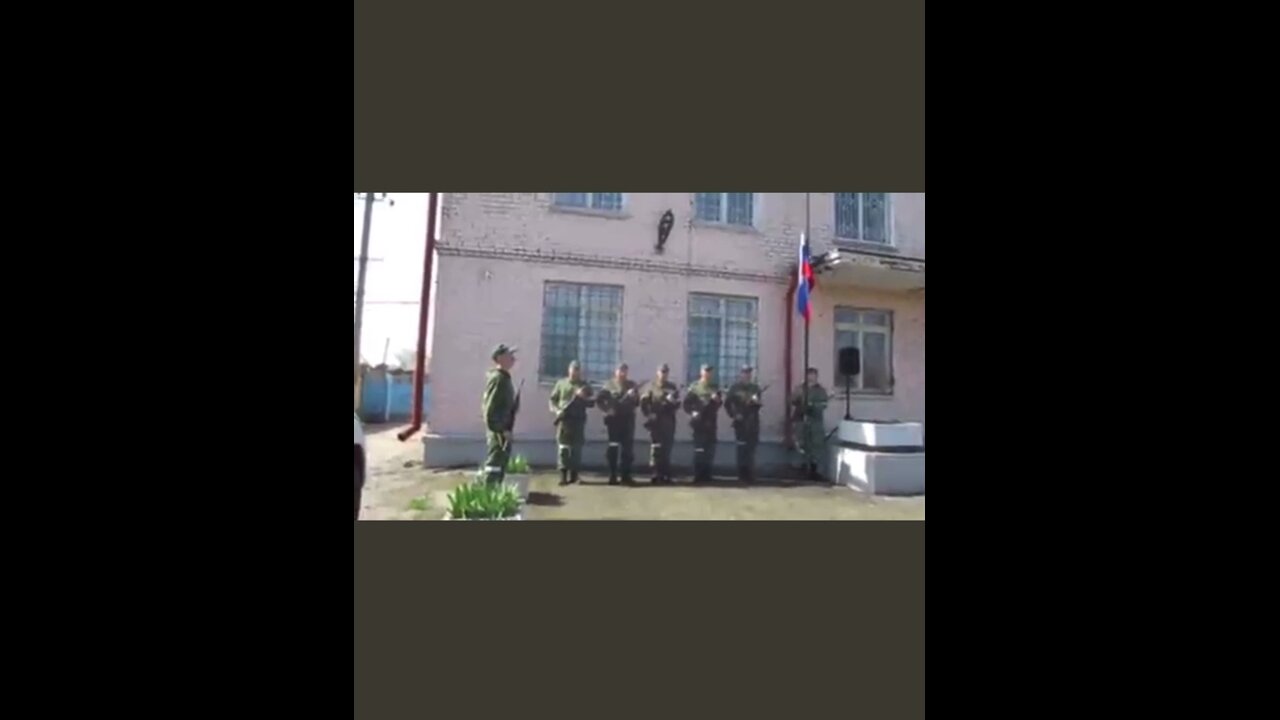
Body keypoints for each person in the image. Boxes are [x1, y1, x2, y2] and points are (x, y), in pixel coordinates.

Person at [548, 359, 595, 486]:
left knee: (576, 448)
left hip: (578, 420)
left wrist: (583, 397)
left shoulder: (585, 386)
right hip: (564, 420)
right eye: (573, 369)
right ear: (569, 370)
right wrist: (557, 411)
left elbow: (592, 403)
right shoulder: (561, 384)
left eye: (577, 370)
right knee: (563, 447)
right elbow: (552, 401)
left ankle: (574, 475)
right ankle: (563, 475)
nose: (575, 372)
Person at [598, 363, 641, 485]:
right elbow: (599, 400)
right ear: (615, 371)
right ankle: (612, 475)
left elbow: (637, 403)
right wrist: (607, 409)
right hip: (614, 421)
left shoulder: (631, 385)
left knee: (627, 449)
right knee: (613, 448)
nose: (623, 373)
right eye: (620, 371)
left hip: (627, 421)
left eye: (625, 371)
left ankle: (626, 475)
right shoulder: (609, 385)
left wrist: (634, 396)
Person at [481, 344, 518, 485]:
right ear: (500, 358)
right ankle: (488, 499)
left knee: (500, 466)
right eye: (510, 355)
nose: (513, 358)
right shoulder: (498, 379)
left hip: (503, 430)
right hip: (498, 432)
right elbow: (490, 410)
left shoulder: (504, 378)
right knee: (494, 467)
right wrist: (502, 430)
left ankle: (494, 494)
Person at [682, 364, 724, 483]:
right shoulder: (695, 387)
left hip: (710, 422)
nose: (708, 374)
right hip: (699, 423)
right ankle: (697, 474)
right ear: (701, 372)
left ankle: (707, 474)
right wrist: (693, 412)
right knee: (699, 449)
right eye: (706, 371)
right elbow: (686, 404)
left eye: (710, 371)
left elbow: (719, 404)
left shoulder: (715, 387)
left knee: (710, 450)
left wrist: (717, 400)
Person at [639, 363, 680, 484]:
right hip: (655, 422)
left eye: (666, 372)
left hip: (668, 421)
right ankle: (655, 473)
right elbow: (644, 403)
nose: (664, 374)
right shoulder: (651, 387)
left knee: (667, 448)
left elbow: (678, 404)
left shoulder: (672, 387)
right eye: (662, 372)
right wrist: (648, 414)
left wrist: (672, 402)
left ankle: (665, 474)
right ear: (657, 373)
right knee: (656, 448)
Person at [725, 365, 764, 483]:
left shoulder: (755, 388)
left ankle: (750, 474)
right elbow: (727, 404)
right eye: (745, 372)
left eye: (748, 373)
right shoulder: (735, 388)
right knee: (741, 449)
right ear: (740, 374)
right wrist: (735, 415)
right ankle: (741, 475)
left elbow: (758, 406)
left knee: (751, 449)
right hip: (740, 423)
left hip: (752, 423)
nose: (747, 375)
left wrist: (756, 402)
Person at [790, 367, 829, 481]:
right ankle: (801, 468)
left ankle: (813, 470)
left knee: (815, 446)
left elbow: (823, 404)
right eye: (809, 375)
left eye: (813, 375)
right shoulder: (800, 388)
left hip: (815, 420)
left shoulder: (820, 390)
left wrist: (812, 405)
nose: (811, 377)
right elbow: (792, 400)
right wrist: (799, 401)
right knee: (802, 444)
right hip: (801, 420)